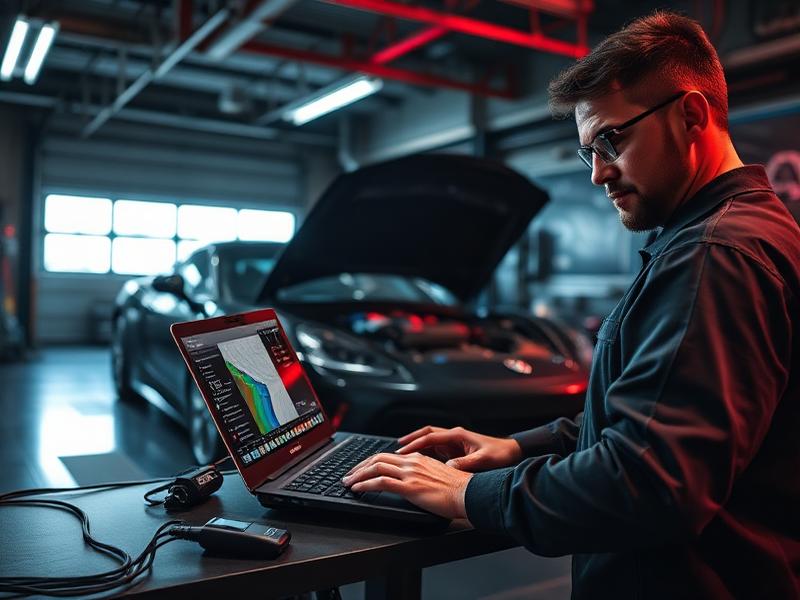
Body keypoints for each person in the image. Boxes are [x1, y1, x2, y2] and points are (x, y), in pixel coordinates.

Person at [342, 10, 800, 598]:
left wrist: (466, 494)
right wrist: (515, 448)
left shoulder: (716, 254)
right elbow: (644, 416)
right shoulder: (735, 234)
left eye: (611, 139)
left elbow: (651, 483)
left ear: (690, 115)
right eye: (588, 152)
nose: (598, 174)